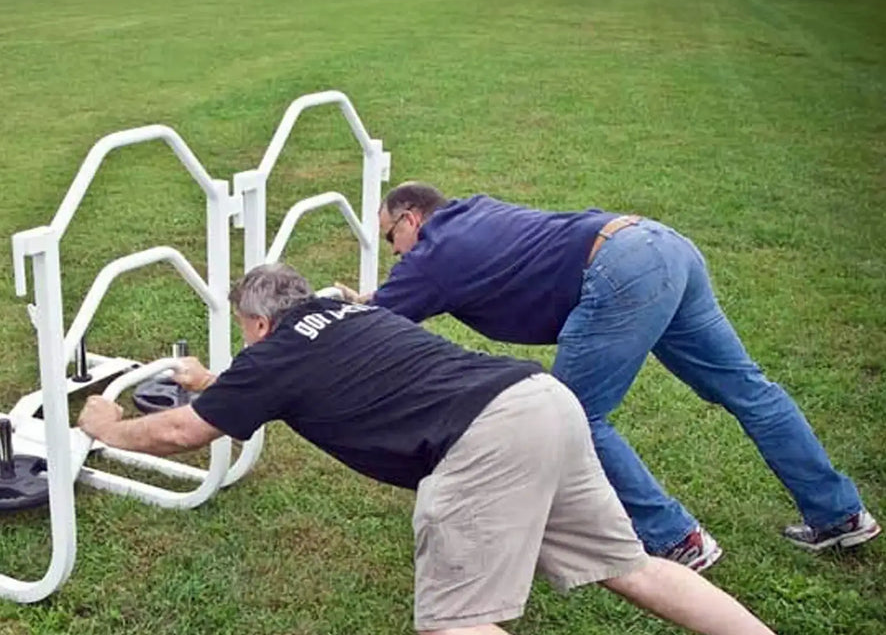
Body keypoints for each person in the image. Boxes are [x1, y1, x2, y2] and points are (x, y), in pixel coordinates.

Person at [78, 263, 834, 635]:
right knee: (627, 564)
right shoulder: (348, 314)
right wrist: (215, 377)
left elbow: (184, 427)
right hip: (539, 401)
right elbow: (269, 382)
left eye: (247, 341)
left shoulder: (274, 353)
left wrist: (107, 430)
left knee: (453, 623)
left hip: (482, 441)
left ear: (260, 326)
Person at [334, 183, 878, 571]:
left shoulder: (432, 253)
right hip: (661, 245)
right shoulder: (475, 212)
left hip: (621, 273)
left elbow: (378, 319)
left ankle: (676, 539)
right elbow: (399, 296)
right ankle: (839, 513)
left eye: (391, 240)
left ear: (410, 218)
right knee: (748, 388)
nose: (395, 253)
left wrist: (336, 309)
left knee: (575, 415)